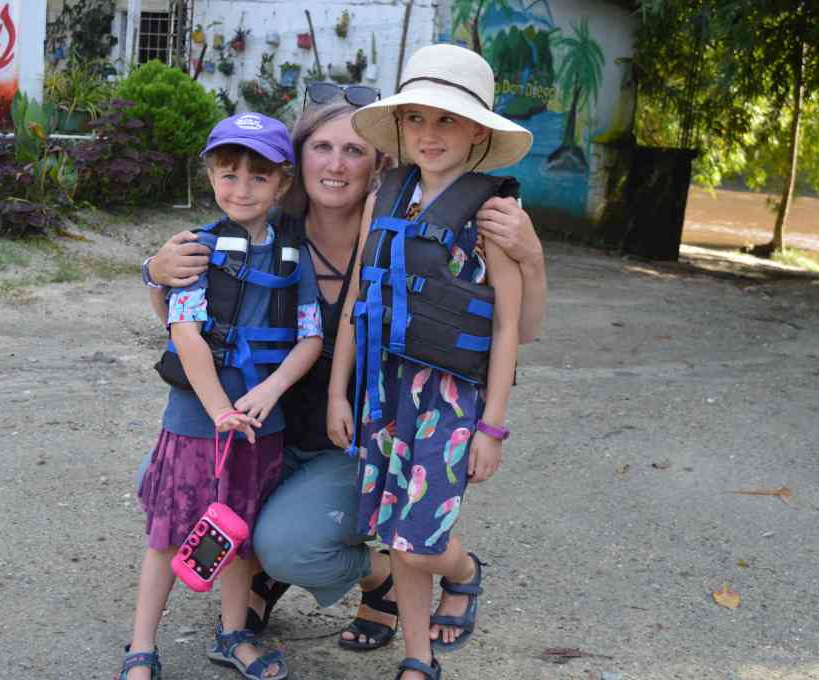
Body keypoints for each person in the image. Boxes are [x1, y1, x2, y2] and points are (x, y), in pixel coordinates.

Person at [143, 91, 547, 657]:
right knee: (183, 487)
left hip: (349, 443)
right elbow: (187, 325)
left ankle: (375, 573)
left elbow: (517, 328)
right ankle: (261, 570)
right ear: (294, 164)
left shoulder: (398, 228)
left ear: (378, 162)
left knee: (289, 543)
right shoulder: (261, 225)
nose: (335, 164)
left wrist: (531, 259)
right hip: (271, 430)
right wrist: (154, 274)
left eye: (354, 151)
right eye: (321, 148)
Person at [326, 44, 532, 680]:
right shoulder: (384, 196)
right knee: (397, 539)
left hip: (447, 401)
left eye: (447, 120)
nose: (429, 134)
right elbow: (360, 295)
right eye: (417, 119)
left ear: (477, 130)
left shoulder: (494, 212)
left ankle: (464, 574)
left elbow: (507, 325)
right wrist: (339, 392)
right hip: (381, 395)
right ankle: (419, 660)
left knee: (421, 542)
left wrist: (493, 426)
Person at [120, 113, 323, 680]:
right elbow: (185, 334)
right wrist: (218, 411)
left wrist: (271, 388)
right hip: (196, 421)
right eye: (228, 174)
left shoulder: (294, 255)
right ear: (210, 176)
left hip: (261, 422)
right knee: (168, 531)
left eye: (259, 177)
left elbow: (310, 337)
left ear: (282, 184)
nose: (241, 188)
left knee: (236, 529)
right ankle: (141, 646)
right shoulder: (194, 251)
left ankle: (234, 633)